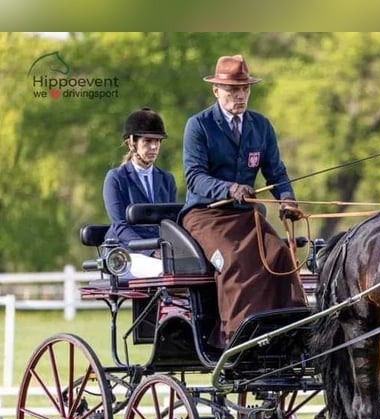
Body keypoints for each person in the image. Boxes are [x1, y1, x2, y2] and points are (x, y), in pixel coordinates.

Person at [180, 54, 306, 348]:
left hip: (245, 215)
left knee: (281, 256)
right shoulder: (198, 126)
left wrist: (287, 199)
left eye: (245, 90)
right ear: (216, 91)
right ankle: (235, 338)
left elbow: (275, 171)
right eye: (233, 91)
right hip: (205, 215)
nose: (240, 96)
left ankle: (290, 332)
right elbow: (194, 177)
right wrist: (229, 188)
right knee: (234, 261)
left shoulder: (261, 126)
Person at [103, 107, 177, 277]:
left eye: (157, 141)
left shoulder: (167, 180)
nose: (154, 147)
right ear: (131, 143)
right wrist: (152, 251)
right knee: (165, 272)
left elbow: (172, 223)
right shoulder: (115, 178)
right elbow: (120, 226)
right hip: (124, 253)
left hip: (161, 252)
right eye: (147, 141)